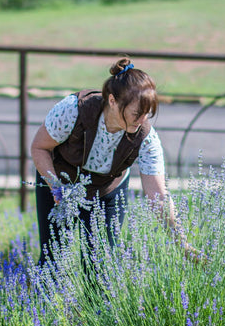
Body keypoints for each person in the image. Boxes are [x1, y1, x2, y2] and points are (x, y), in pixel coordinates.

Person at [30, 57, 192, 265]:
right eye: (136, 113)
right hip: (59, 181)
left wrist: (182, 244)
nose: (142, 120)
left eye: (147, 114)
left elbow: (159, 196)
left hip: (106, 192)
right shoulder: (73, 110)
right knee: (54, 260)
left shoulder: (146, 138)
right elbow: (39, 147)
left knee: (100, 265)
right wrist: (56, 187)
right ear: (113, 101)